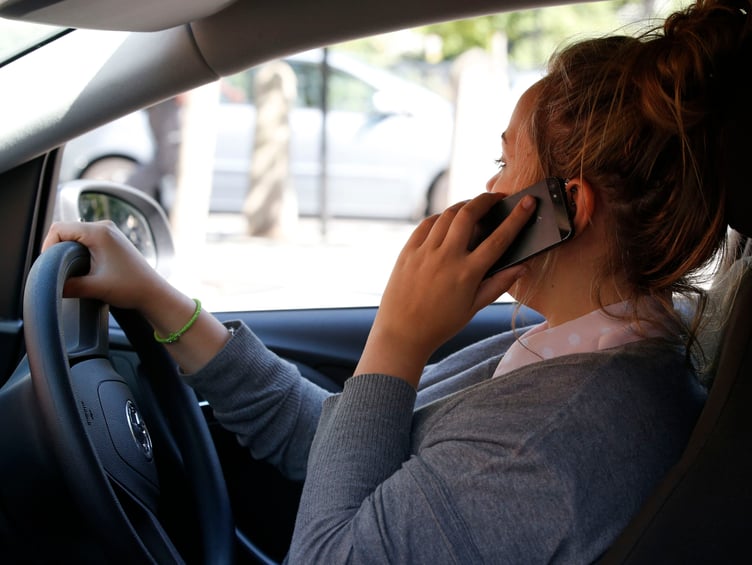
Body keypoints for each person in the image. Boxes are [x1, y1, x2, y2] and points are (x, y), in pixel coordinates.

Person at [43, 0, 750, 561]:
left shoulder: (551, 444)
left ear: (568, 208)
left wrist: (400, 336)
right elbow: (338, 446)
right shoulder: (577, 347)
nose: (487, 185)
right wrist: (153, 298)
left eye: (505, 164)